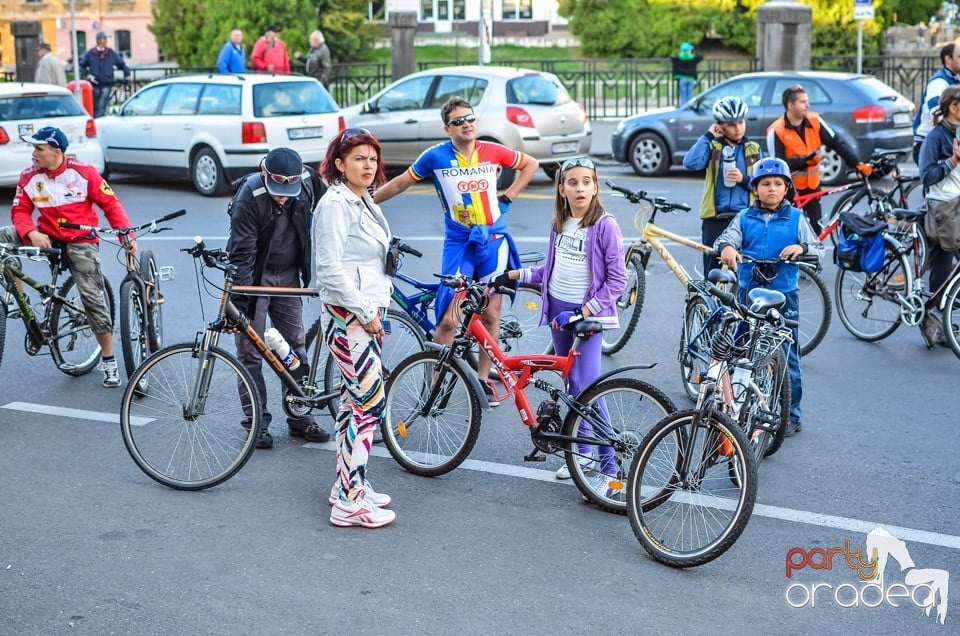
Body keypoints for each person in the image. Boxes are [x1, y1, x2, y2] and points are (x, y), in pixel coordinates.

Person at [374, 97, 539, 404]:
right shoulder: (435, 157)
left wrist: (509, 197)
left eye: (470, 119)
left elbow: (531, 164)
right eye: (459, 121)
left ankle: (481, 381)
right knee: (449, 318)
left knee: (490, 312)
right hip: (460, 243)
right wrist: (367, 202)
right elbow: (400, 183)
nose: (466, 124)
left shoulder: (492, 151)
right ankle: (435, 384)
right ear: (447, 128)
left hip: (493, 240)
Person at [490, 157, 627, 482]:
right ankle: (584, 453)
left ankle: (610, 467)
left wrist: (582, 312)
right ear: (561, 188)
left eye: (586, 182)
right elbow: (547, 272)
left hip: (585, 318)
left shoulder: (605, 225)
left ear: (595, 187)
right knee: (571, 386)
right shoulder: (559, 224)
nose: (580, 188)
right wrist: (514, 275)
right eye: (573, 182)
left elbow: (617, 280)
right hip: (558, 316)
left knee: (587, 388)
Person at [3, 126, 135, 388]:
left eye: (39, 149)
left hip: (80, 240)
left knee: (91, 297)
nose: (34, 154)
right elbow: (19, 210)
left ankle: (109, 361)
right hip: (45, 234)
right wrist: (30, 232)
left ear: (56, 151)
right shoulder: (29, 176)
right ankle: (17, 293)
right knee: (3, 239)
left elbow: (111, 205)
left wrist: (127, 237)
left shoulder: (84, 173)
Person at [315, 128, 396, 529]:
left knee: (353, 403)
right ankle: (349, 502)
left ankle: (347, 484)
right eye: (359, 158)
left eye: (372, 158)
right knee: (370, 404)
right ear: (340, 163)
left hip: (363, 317)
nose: (368, 165)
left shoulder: (361, 199)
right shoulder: (335, 205)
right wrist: (365, 311)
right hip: (350, 319)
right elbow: (329, 269)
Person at [226, 147, 328, 450]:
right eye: (278, 190)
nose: (283, 196)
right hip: (254, 276)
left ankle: (300, 416)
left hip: (289, 275)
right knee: (250, 351)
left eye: (288, 190)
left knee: (295, 345)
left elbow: (330, 211)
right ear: (264, 172)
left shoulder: (308, 182)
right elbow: (242, 255)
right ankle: (256, 422)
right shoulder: (249, 198)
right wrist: (240, 305)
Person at [715, 158, 820, 437]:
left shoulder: (797, 217)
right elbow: (725, 240)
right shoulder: (744, 217)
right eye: (765, 184)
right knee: (739, 349)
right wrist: (727, 248)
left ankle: (791, 414)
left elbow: (817, 249)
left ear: (786, 188)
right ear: (755, 189)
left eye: (777, 184)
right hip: (749, 296)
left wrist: (800, 247)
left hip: (784, 297)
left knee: (788, 356)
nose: (771, 189)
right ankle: (736, 403)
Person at [766, 84, 869, 231]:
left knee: (816, 229)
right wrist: (805, 162)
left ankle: (813, 253)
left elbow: (837, 144)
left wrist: (857, 163)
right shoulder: (776, 130)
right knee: (788, 230)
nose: (808, 105)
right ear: (790, 105)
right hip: (789, 190)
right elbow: (776, 166)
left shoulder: (815, 121)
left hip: (813, 186)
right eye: (803, 102)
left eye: (807, 101)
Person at [682, 96, 763, 274]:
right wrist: (708, 135)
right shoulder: (713, 146)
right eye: (731, 124)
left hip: (745, 218)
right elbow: (691, 163)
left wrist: (743, 179)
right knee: (713, 272)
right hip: (715, 219)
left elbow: (763, 185)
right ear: (721, 125)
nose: (738, 128)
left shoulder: (753, 149)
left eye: (741, 122)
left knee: (745, 271)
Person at [917, 84, 960, 345]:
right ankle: (931, 316)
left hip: (958, 203)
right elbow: (927, 176)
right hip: (943, 208)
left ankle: (943, 313)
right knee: (943, 263)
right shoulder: (935, 138)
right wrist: (952, 162)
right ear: (954, 108)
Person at [913, 43, 960, 164]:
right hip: (930, 146)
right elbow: (936, 113)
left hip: (946, 142)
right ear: (948, 59)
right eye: (959, 56)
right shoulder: (939, 82)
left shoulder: (955, 80)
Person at [78, 32, 131, 118]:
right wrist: (87, 75)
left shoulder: (110, 53)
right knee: (95, 106)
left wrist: (127, 74)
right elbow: (81, 65)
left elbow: (121, 64)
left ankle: (98, 122)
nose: (106, 41)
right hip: (94, 84)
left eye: (106, 39)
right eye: (104, 38)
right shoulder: (91, 53)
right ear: (99, 40)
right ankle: (96, 122)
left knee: (101, 106)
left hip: (107, 84)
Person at [671, 42, 702, 106]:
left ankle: (684, 107)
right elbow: (700, 56)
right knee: (690, 95)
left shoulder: (678, 57)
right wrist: (692, 53)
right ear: (689, 50)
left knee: (683, 95)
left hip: (682, 78)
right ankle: (689, 107)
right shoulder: (693, 57)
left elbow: (672, 57)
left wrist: (682, 53)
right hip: (690, 78)